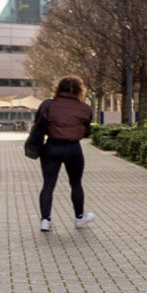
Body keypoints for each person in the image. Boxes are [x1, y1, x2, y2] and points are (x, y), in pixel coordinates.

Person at [34, 76, 98, 232]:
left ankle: (45, 220)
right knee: (76, 184)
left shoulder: (47, 105)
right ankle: (79, 217)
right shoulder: (85, 108)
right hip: (73, 149)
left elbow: (38, 123)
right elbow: (86, 127)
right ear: (79, 90)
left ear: (58, 88)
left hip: (51, 147)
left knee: (48, 184)